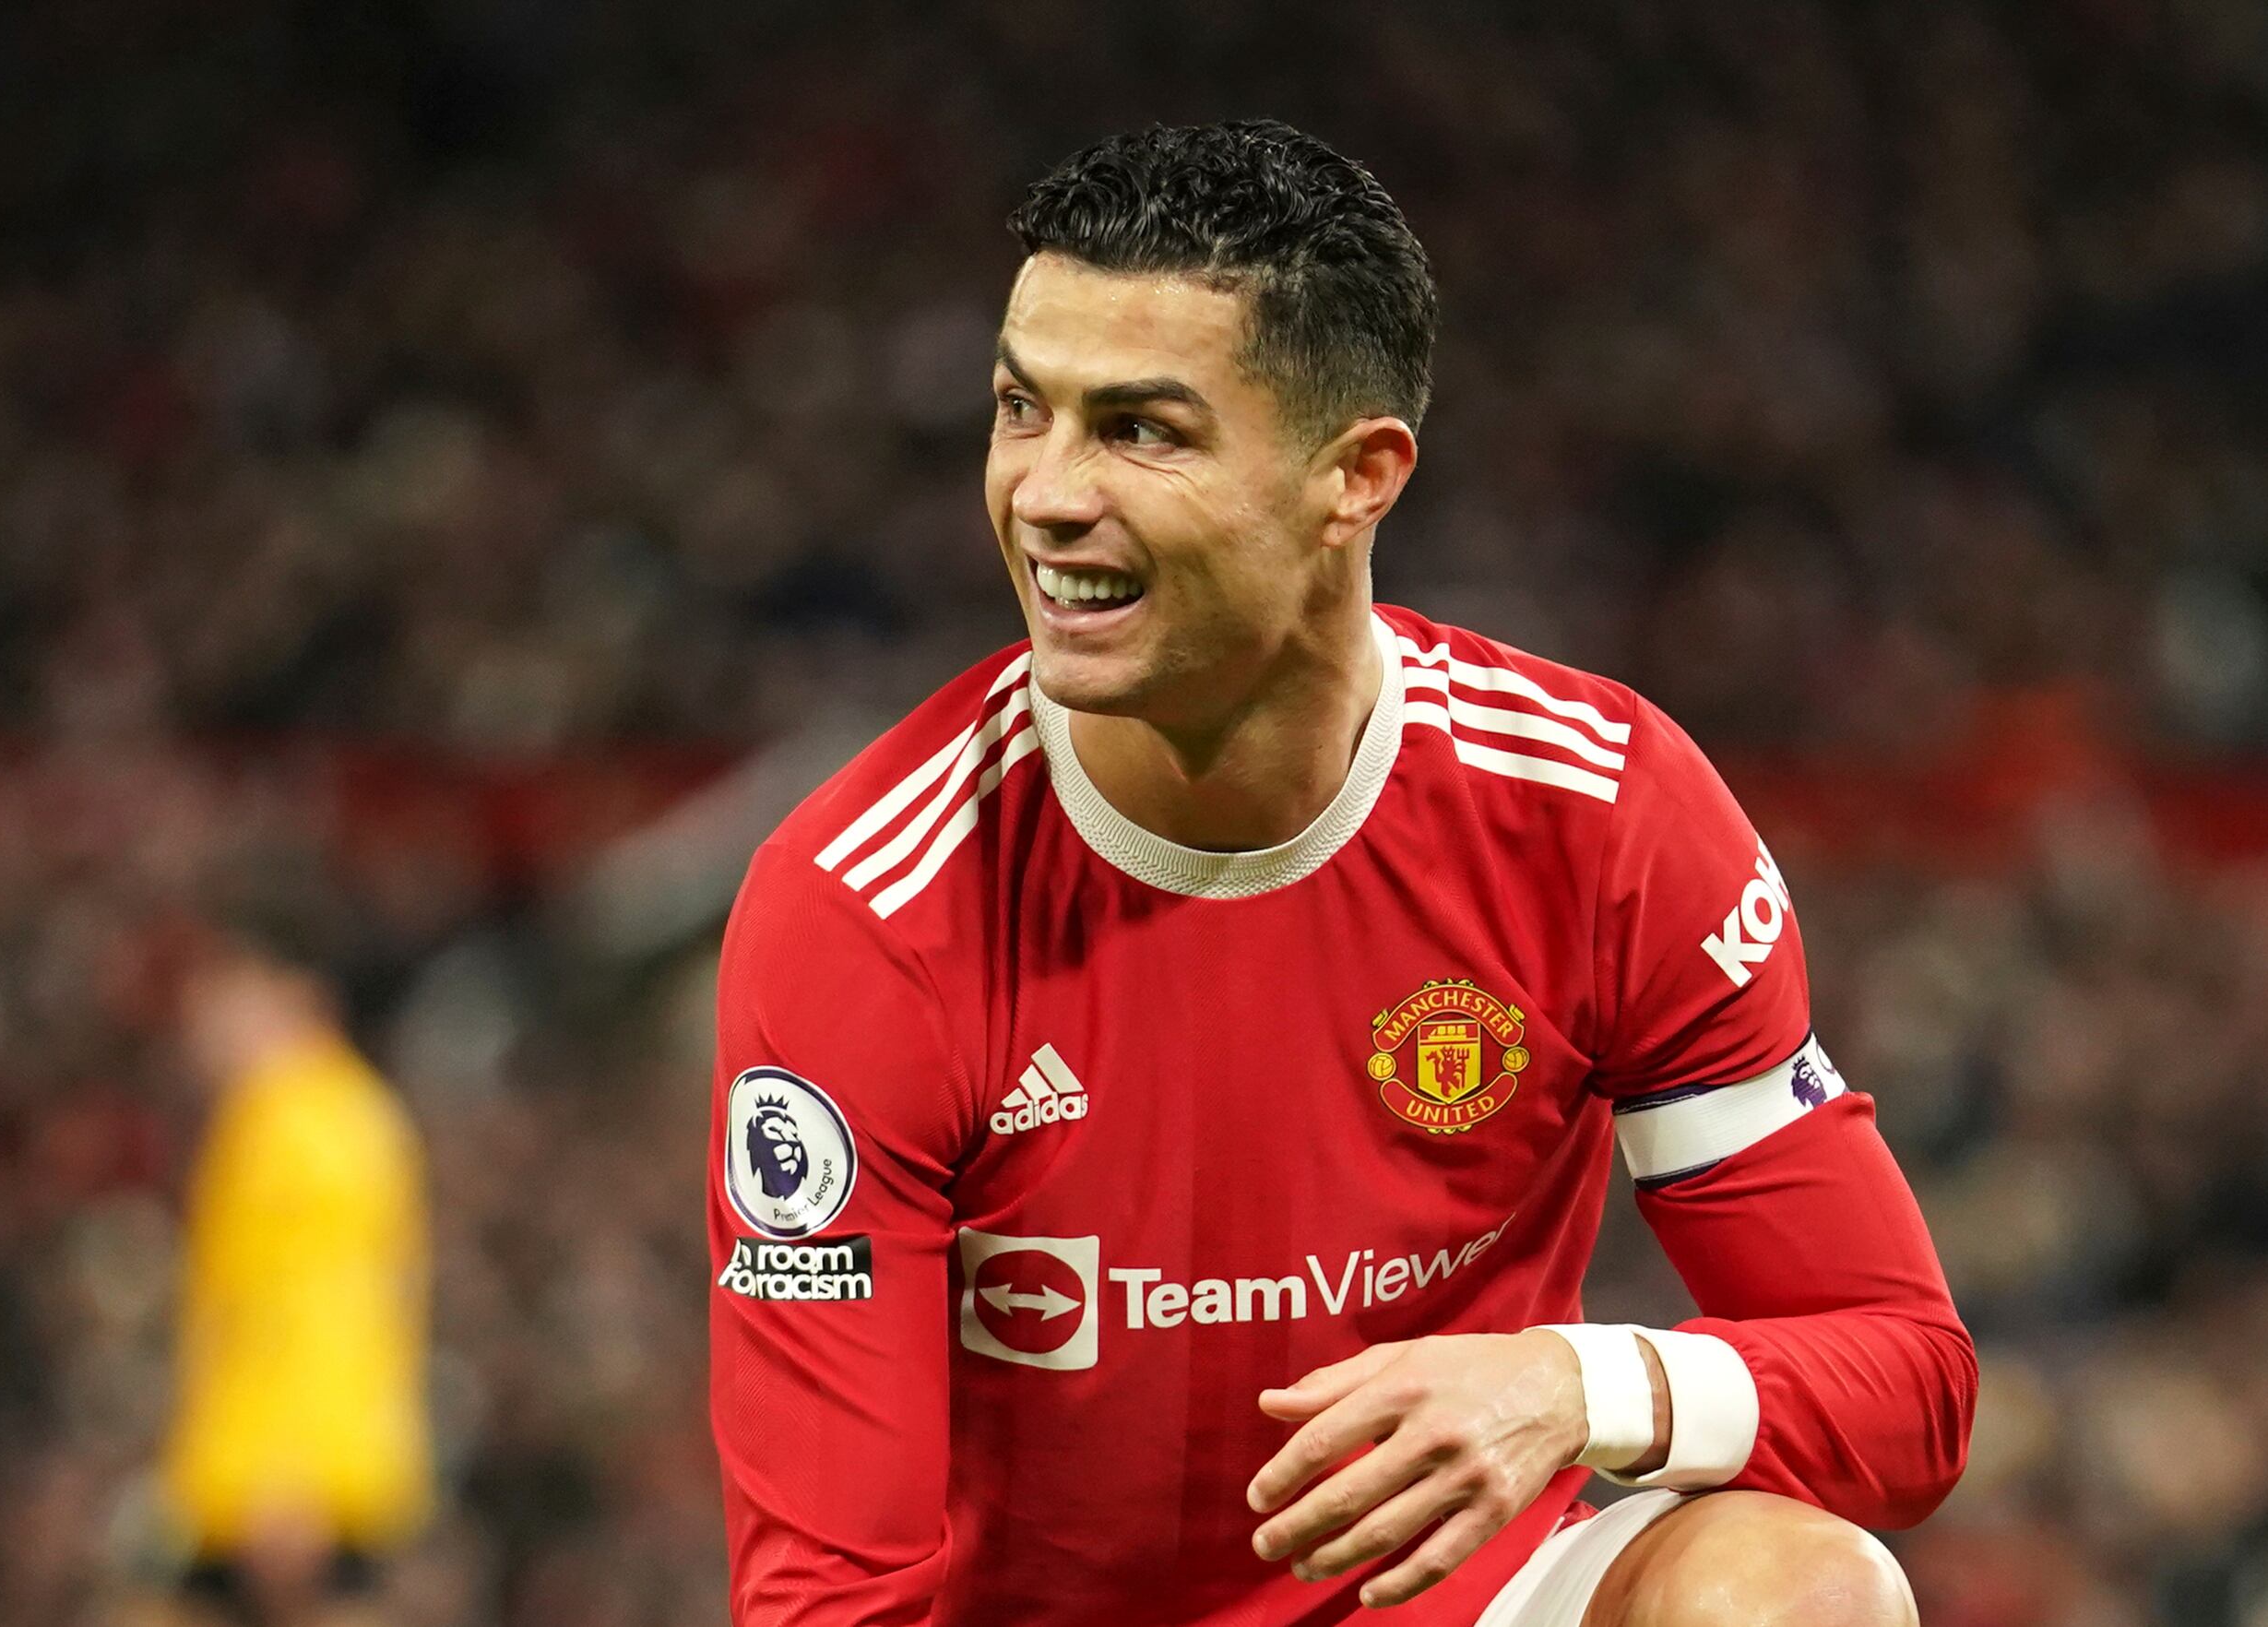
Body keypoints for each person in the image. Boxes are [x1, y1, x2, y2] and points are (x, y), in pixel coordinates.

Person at [707, 120, 1974, 1626]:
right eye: (1020, 408)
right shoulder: (870, 909)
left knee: (1804, 1593)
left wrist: (1575, 1383)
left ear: (1357, 477)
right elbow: (828, 1602)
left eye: (1141, 430)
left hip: (1456, 1599)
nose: (1043, 492)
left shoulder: (1597, 818)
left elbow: (1908, 1384)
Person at [160, 937, 433, 1626]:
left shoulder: (304, 1127)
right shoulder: (315, 1116)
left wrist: (287, 1470)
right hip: (294, 1462)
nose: (202, 1029)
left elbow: (315, 1308)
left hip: (286, 1472)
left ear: (298, 997)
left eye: (227, 1001)